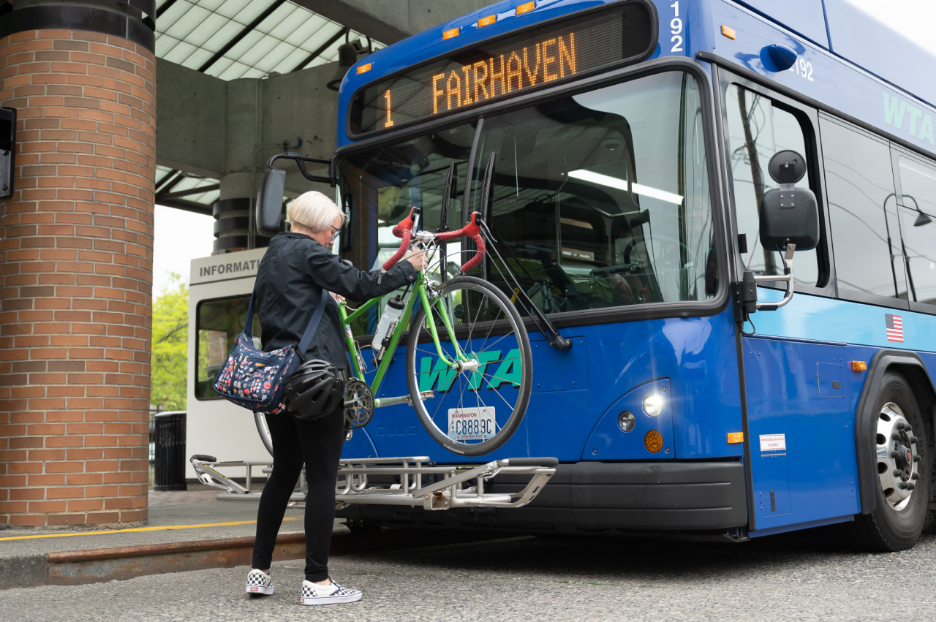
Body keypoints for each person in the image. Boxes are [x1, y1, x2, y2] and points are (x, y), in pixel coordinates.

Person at [244, 190, 426, 606]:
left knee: (284, 471)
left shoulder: (274, 255)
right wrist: (409, 269)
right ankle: (318, 581)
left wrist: (326, 298)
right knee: (324, 476)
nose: (332, 238)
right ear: (316, 225)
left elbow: (290, 308)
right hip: (316, 380)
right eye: (332, 230)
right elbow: (362, 285)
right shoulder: (309, 252)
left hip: (278, 379)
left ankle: (259, 572)